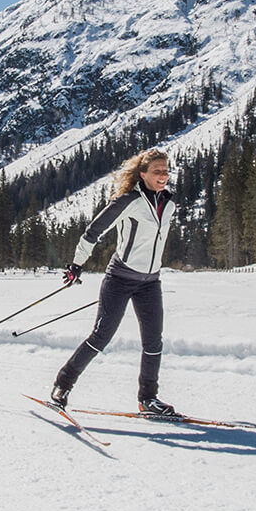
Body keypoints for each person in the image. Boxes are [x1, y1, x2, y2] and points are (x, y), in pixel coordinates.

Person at [49, 149, 178, 417]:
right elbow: (93, 231)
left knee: (154, 343)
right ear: (143, 174)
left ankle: (148, 399)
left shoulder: (169, 205)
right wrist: (77, 264)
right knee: (101, 337)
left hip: (150, 282)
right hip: (120, 278)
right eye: (157, 171)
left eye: (165, 170)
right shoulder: (129, 201)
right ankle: (62, 385)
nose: (163, 176)